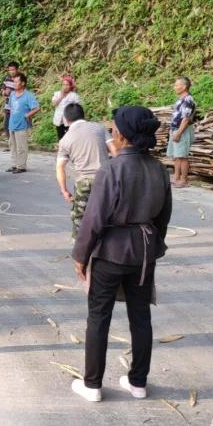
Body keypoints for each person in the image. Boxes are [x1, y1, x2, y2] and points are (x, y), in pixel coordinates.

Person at [70, 106, 172, 403]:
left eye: (113, 127)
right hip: (143, 252)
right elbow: (164, 217)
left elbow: (94, 218)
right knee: (140, 317)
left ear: (123, 134)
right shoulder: (158, 169)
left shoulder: (112, 169)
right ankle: (138, 382)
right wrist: (154, 245)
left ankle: (93, 385)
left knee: (99, 316)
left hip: (111, 251)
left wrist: (80, 254)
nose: (111, 130)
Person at [56, 104, 114, 237]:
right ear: (84, 115)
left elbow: (60, 167)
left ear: (66, 119)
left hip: (84, 183)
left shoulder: (65, 139)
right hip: (106, 179)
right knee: (107, 214)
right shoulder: (99, 128)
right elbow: (115, 151)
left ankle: (81, 251)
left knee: (80, 220)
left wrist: (64, 190)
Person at [6, 74, 40, 173]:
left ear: (23, 83)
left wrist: (27, 115)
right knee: (12, 145)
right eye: (14, 82)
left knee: (21, 147)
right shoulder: (12, 94)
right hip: (12, 124)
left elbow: (37, 108)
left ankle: (21, 166)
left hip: (22, 124)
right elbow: (10, 107)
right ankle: (14, 164)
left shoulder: (28, 95)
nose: (15, 84)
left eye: (17, 82)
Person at [168, 76, 196, 188]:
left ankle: (183, 180)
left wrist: (179, 133)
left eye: (177, 85)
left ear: (184, 87)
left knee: (183, 156)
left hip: (182, 130)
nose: (175, 87)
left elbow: (186, 119)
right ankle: (176, 178)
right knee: (177, 156)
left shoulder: (188, 100)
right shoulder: (180, 100)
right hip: (176, 129)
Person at [51, 75, 82, 140]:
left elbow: (79, 108)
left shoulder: (74, 96)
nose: (65, 86)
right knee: (61, 139)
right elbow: (53, 104)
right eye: (63, 84)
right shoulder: (56, 94)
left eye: (67, 85)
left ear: (70, 86)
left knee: (70, 139)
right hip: (59, 121)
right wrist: (61, 96)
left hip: (70, 120)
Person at [1, 62, 20, 148]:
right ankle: (11, 144)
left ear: (17, 69)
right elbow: (2, 91)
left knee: (15, 125)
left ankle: (15, 144)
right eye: (10, 70)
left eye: (13, 69)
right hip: (8, 105)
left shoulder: (20, 79)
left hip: (17, 106)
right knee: (6, 125)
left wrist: (12, 92)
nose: (11, 71)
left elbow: (22, 92)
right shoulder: (7, 79)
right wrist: (5, 92)